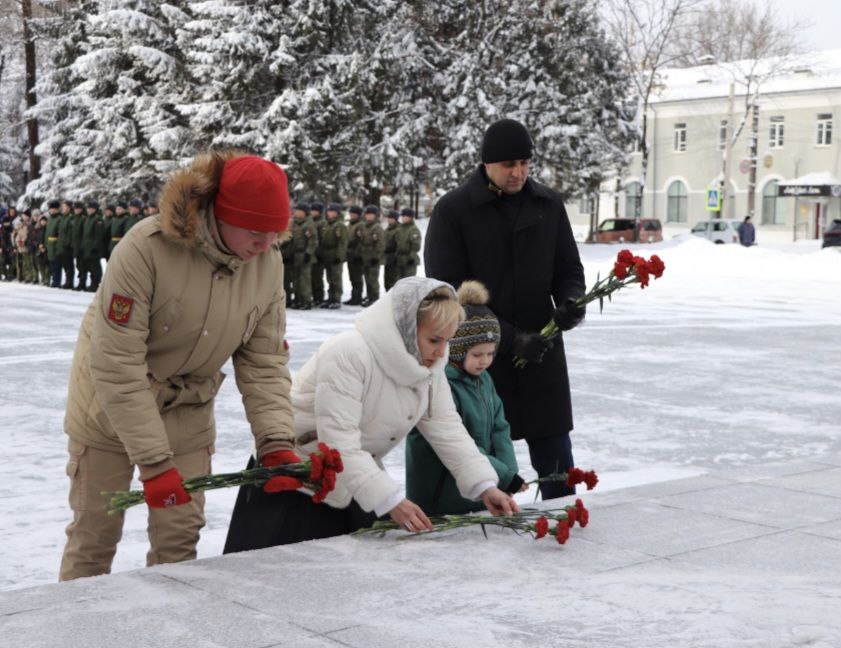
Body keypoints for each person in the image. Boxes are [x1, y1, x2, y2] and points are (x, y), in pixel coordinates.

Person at [59, 150, 296, 581]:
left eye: (274, 235)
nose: (264, 247)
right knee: (95, 536)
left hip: (187, 410)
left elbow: (264, 361)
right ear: (220, 216)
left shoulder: (266, 262)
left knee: (178, 541)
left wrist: (277, 442)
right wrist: (152, 462)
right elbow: (116, 362)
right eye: (255, 233)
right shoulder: (145, 249)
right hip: (108, 411)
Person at [223, 276, 519, 551]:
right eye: (433, 340)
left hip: (354, 477)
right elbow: (338, 440)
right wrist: (390, 500)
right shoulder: (349, 353)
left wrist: (485, 485)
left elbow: (446, 427)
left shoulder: (430, 367)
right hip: (296, 479)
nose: (442, 352)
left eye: (447, 341)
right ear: (405, 326)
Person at [424, 118, 586, 501]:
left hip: (543, 352)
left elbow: (569, 270)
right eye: (509, 165)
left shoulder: (548, 204)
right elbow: (448, 293)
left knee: (558, 468)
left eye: (525, 164)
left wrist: (570, 304)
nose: (519, 173)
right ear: (486, 165)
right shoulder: (453, 211)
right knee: (487, 465)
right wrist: (511, 341)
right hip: (479, 361)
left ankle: (564, 520)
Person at [406, 281, 526, 515]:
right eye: (477, 354)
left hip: (480, 488)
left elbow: (500, 429)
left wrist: (508, 474)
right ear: (458, 350)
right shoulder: (443, 385)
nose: (485, 361)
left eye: (491, 353)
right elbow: (460, 441)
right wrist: (502, 475)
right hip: (440, 497)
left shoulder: (485, 381)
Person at [319, 202, 348, 309]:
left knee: (336, 278)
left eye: (332, 211)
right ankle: (331, 297)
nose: (330, 213)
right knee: (329, 278)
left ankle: (336, 299)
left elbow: (342, 242)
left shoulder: (339, 225)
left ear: (337, 213)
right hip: (327, 254)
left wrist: (339, 256)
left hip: (335, 254)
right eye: (329, 211)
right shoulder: (327, 224)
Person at [290, 201, 318, 309]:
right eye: (296, 211)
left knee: (304, 279)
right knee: (296, 279)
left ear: (305, 213)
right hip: (296, 254)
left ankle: (306, 301)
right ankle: (298, 299)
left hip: (304, 254)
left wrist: (308, 253)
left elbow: (313, 241)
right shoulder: (295, 224)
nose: (296, 213)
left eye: (299, 211)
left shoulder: (309, 225)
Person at [359, 204, 384, 306]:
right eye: (367, 214)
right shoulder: (365, 227)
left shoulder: (377, 228)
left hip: (373, 257)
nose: (368, 216)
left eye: (371, 214)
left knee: (373, 279)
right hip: (365, 257)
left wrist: (376, 257)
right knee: (367, 278)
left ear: (375, 216)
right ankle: (369, 296)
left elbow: (381, 244)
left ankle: (374, 297)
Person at [343, 205, 365, 305]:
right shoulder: (350, 225)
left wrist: (358, 254)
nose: (352, 215)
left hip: (357, 256)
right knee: (352, 278)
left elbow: (361, 241)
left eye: (354, 214)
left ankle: (358, 297)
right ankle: (354, 296)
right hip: (350, 255)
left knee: (357, 278)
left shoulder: (360, 225)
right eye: (351, 213)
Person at [394, 207, 422, 281]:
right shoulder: (400, 228)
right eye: (402, 216)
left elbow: (416, 246)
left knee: (409, 282)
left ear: (410, 217)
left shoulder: (413, 229)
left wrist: (411, 257)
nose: (403, 218)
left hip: (409, 260)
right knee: (399, 282)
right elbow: (397, 243)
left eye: (405, 216)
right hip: (400, 260)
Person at [309, 201, 327, 305]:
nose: (313, 212)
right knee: (311, 277)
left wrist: (320, 253)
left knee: (317, 277)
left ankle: (319, 297)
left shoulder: (322, 223)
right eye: (312, 210)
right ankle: (313, 296)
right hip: (311, 254)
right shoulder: (311, 222)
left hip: (318, 254)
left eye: (315, 211)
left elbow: (322, 239)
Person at [383, 208, 400, 291]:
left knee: (393, 280)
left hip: (394, 258)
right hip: (387, 258)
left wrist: (395, 256)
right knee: (387, 279)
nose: (389, 220)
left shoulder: (398, 229)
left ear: (395, 219)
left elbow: (399, 245)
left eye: (391, 218)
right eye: (388, 218)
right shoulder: (388, 229)